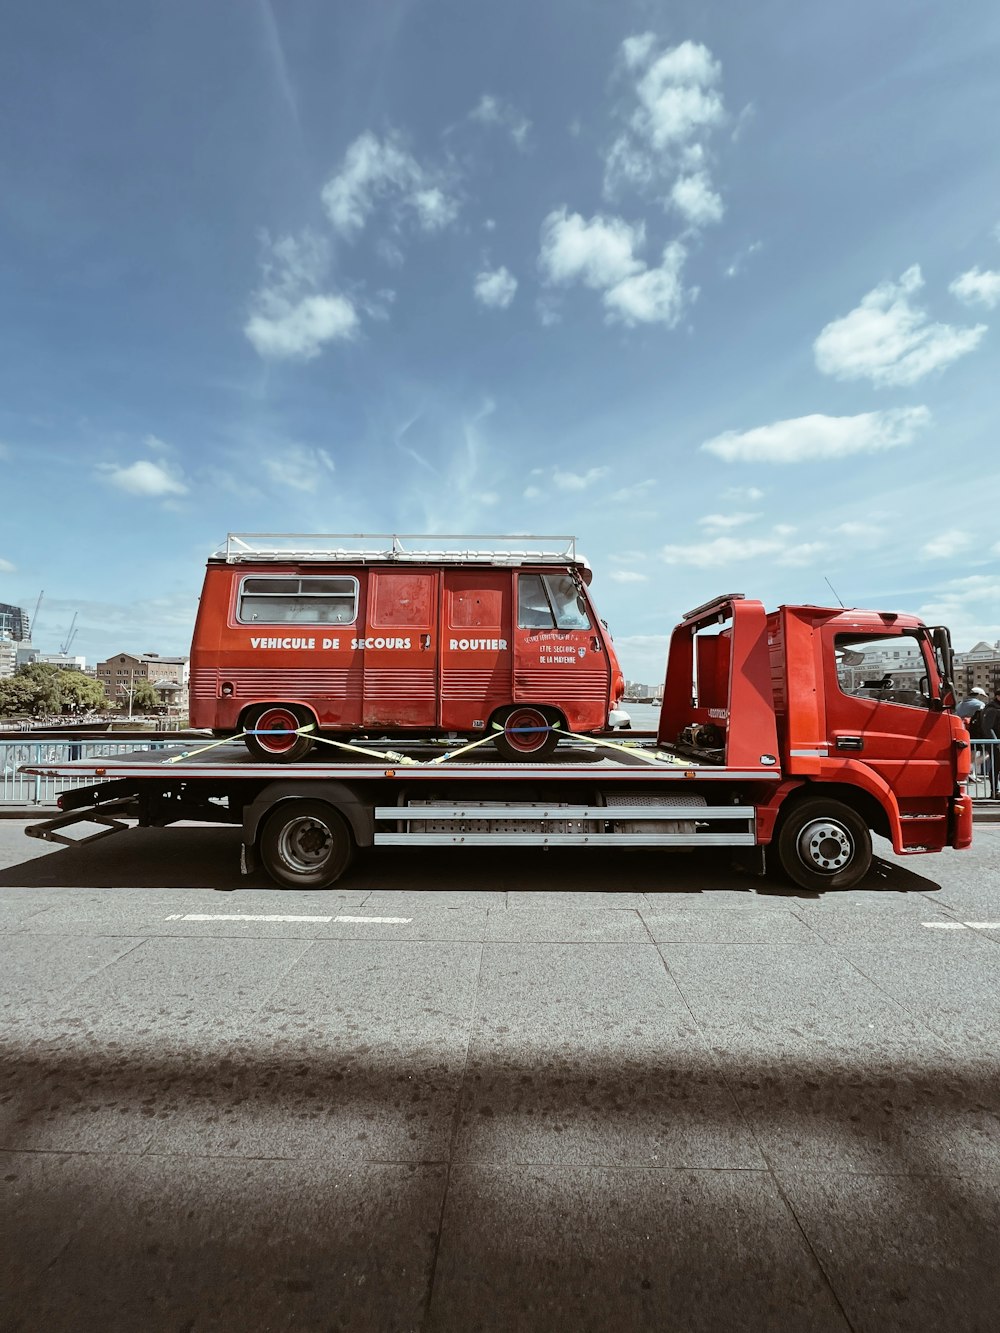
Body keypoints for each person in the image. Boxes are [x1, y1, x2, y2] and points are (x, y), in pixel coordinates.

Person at [981, 687, 1000, 800]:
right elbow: (987, 728)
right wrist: (996, 742)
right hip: (996, 744)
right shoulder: (993, 709)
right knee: (996, 768)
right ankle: (995, 791)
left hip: (996, 742)